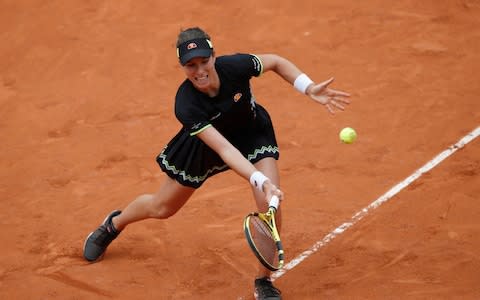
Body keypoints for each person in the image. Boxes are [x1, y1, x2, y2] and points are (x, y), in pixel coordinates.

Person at [83, 26, 350, 300]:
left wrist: (307, 87)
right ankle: (113, 224)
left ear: (214, 56)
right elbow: (224, 149)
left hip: (251, 133)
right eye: (190, 65)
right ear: (182, 67)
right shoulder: (186, 103)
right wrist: (259, 179)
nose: (199, 70)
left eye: (203, 61)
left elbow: (277, 62)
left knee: (269, 207)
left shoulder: (236, 66)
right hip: (206, 147)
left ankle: (263, 280)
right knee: (162, 207)